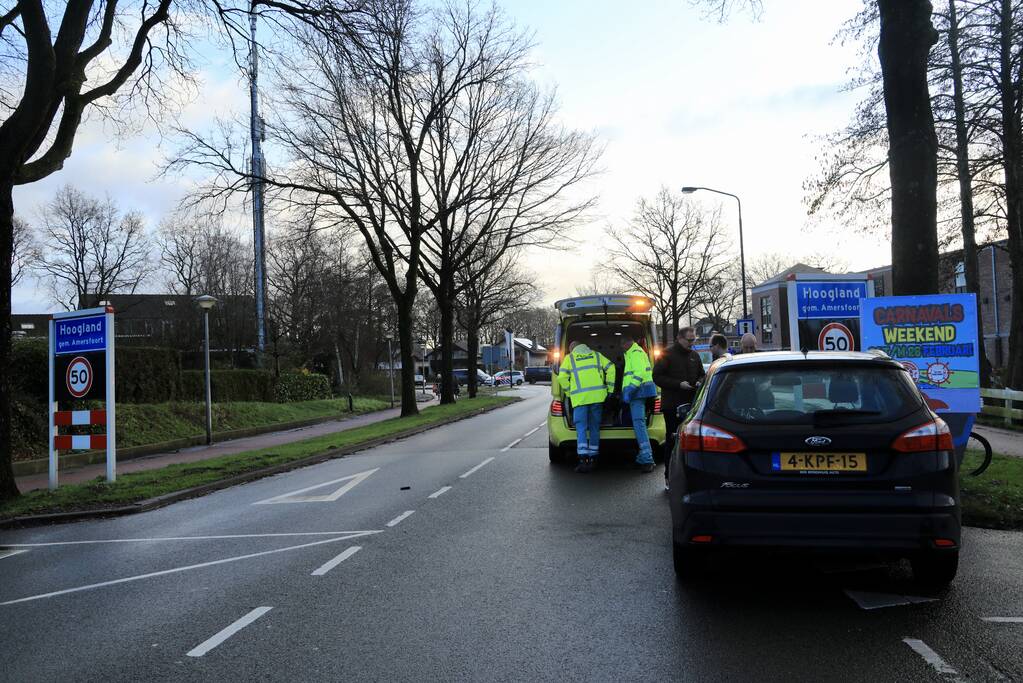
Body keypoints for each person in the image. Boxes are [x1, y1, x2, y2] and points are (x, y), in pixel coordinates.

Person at [653, 326, 706, 487]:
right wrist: (678, 384)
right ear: (679, 338)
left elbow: (702, 374)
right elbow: (657, 377)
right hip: (672, 406)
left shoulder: (694, 356)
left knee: (692, 442)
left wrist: (699, 381)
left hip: (692, 405)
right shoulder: (667, 354)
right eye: (689, 340)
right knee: (672, 441)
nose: (691, 343)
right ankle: (669, 477)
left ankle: (691, 476)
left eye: (693, 340)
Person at [558, 340, 616, 473]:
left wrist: (570, 392)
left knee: (582, 429)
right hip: (597, 398)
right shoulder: (596, 355)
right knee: (595, 428)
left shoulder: (570, 358)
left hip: (580, 399)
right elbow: (611, 367)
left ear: (572, 348)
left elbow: (561, 378)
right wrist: (610, 389)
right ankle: (594, 458)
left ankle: (584, 461)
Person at [619, 335, 658, 473]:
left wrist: (630, 389)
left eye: (622, 344)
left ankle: (647, 458)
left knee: (639, 423)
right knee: (639, 423)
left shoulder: (635, 353)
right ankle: (643, 457)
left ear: (628, 342)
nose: (622, 347)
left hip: (638, 392)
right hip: (640, 391)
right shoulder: (634, 352)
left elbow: (639, 373)